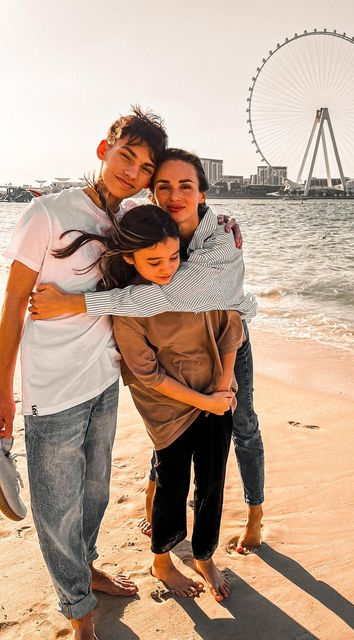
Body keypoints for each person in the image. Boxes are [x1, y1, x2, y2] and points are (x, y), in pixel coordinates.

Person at [30, 148, 265, 554]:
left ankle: (255, 513)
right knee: (170, 426)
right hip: (173, 341)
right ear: (152, 193)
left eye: (186, 186)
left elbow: (163, 296)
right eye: (164, 186)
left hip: (226, 338)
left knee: (242, 425)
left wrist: (75, 303)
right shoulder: (148, 225)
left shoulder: (222, 240)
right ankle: (156, 501)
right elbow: (108, 222)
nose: (175, 195)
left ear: (203, 193)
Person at [0, 107, 168, 640]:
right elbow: (13, 305)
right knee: (56, 509)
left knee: (95, 493)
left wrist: (224, 229)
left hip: (103, 380)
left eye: (145, 167)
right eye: (126, 156)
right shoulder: (48, 213)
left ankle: (88, 568)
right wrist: (2, 389)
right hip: (52, 392)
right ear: (104, 150)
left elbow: (166, 265)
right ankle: (78, 611)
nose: (132, 172)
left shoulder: (129, 222)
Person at [64, 203, 243, 601]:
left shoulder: (197, 282)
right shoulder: (128, 307)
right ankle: (161, 560)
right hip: (169, 412)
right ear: (130, 258)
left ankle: (204, 556)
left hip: (217, 395)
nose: (167, 268)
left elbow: (231, 324)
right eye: (154, 261)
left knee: (212, 482)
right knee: (171, 485)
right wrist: (204, 401)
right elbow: (149, 375)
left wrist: (222, 387)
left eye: (174, 257)